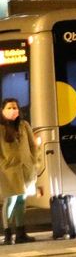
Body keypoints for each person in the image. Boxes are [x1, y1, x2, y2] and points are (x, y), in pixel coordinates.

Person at [1, 99, 38, 245]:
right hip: (8, 170)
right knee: (10, 200)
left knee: (22, 201)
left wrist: (34, 160)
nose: (13, 110)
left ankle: (21, 233)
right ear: (3, 110)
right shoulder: (1, 127)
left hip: (25, 169)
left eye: (15, 107)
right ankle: (8, 234)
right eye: (9, 107)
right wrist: (4, 164)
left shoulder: (24, 125)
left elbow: (33, 145)